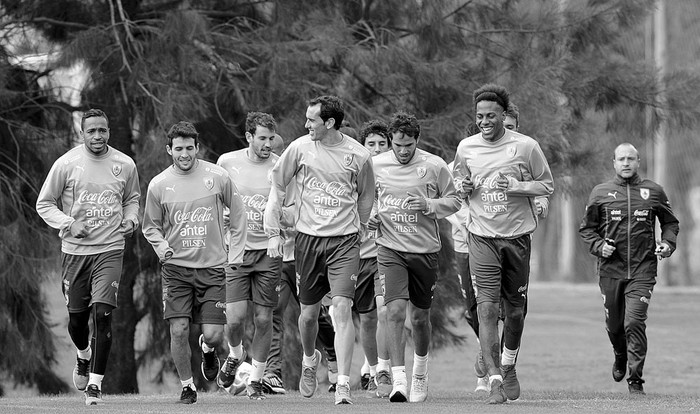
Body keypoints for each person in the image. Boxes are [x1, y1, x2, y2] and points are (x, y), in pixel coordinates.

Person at [264, 95, 375, 405]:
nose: (306, 124)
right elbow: (278, 185)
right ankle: (310, 359)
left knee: (341, 308)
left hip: (344, 242)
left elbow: (366, 197)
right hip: (308, 241)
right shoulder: (299, 148)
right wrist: (275, 230)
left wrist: (361, 225)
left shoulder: (359, 155)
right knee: (309, 316)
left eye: (312, 120)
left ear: (329, 123)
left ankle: (342, 384)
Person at [452, 84, 554, 404]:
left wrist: (517, 186)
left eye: (491, 116)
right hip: (481, 236)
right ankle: (494, 378)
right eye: (480, 116)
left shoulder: (526, 147)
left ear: (503, 115)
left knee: (515, 313)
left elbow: (546, 184)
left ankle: (508, 364)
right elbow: (457, 185)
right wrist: (463, 186)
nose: (485, 121)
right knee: (486, 308)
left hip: (517, 238)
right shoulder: (466, 148)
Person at [36, 108, 140, 406]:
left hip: (110, 249)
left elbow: (132, 199)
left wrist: (131, 220)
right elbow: (44, 204)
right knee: (77, 321)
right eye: (91, 131)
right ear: (82, 133)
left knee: (103, 314)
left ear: (109, 132)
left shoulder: (125, 164)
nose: (97, 136)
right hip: (75, 254)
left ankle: (95, 385)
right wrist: (69, 223)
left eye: (102, 130)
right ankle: (83, 355)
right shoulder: (66, 164)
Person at [142, 121, 246, 404]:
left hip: (213, 268)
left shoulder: (218, 176)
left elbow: (238, 215)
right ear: (169, 150)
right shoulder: (159, 184)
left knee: (212, 335)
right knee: (178, 329)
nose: (184, 154)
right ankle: (188, 386)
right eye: (178, 149)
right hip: (176, 270)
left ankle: (208, 350)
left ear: (197, 148)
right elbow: (150, 226)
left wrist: (234, 253)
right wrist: (162, 247)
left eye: (190, 148)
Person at [373, 111, 461, 403]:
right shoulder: (375, 165)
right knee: (395, 312)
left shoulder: (434, 166)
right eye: (397, 145)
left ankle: (420, 373)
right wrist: (370, 216)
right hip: (390, 249)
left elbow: (454, 201)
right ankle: (399, 380)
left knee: (420, 318)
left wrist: (429, 204)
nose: (403, 151)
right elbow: (363, 200)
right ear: (390, 141)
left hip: (424, 252)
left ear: (416, 140)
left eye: (408, 145)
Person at [578, 143, 679, 395]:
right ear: (613, 162)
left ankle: (635, 382)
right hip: (610, 271)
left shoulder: (653, 191)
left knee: (634, 322)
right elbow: (586, 229)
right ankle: (620, 354)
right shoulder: (601, 193)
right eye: (621, 159)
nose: (626, 163)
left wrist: (667, 244)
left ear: (638, 162)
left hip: (643, 270)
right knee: (615, 327)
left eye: (630, 159)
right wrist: (599, 246)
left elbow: (670, 223)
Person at [262, 134, 340, 395]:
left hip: (305, 255)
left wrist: (286, 220)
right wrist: (272, 230)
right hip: (277, 259)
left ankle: (331, 353)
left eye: (277, 154)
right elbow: (269, 208)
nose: (274, 160)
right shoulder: (270, 178)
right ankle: (272, 371)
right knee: (274, 311)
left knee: (313, 315)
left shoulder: (308, 177)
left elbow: (310, 214)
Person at [215, 112, 282, 399]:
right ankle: (235, 353)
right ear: (249, 137)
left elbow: (290, 205)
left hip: (268, 252)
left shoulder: (280, 166)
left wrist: (281, 227)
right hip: (236, 252)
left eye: (271, 138)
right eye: (262, 138)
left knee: (264, 319)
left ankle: (255, 379)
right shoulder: (227, 163)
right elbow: (215, 202)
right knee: (234, 320)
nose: (268, 144)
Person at [355, 119, 393, 398]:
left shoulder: (393, 172)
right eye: (372, 144)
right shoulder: (355, 170)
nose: (377, 149)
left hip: (384, 252)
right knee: (366, 320)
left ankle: (383, 368)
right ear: (363, 147)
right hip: (357, 256)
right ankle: (370, 368)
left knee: (384, 312)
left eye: (382, 143)